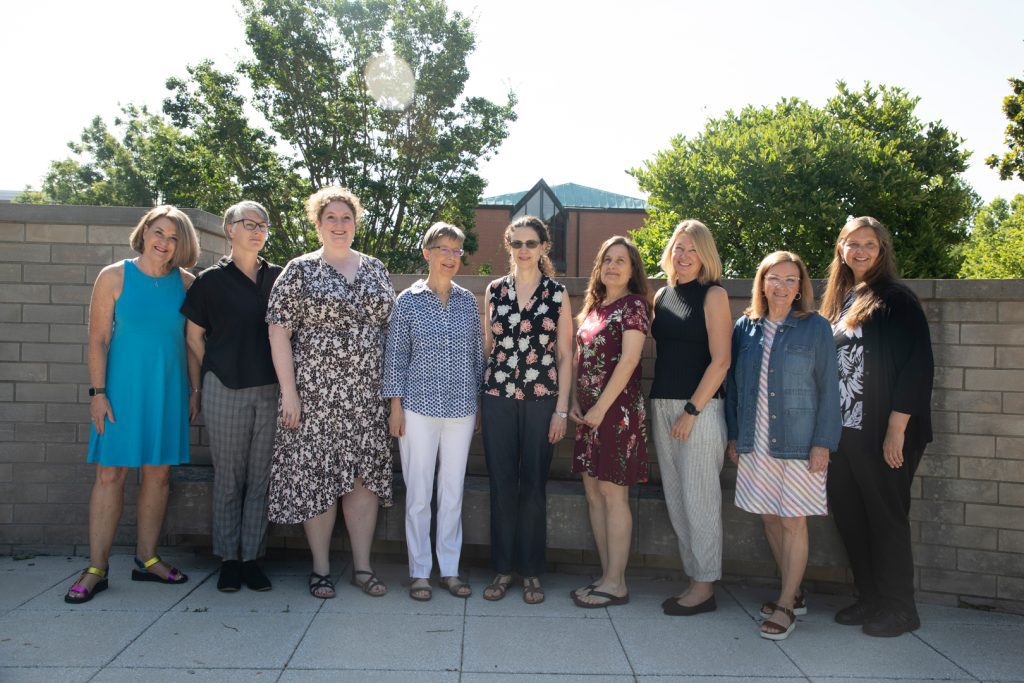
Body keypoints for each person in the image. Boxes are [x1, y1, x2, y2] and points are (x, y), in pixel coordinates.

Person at [64, 206, 201, 603]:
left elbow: (193, 345)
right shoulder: (113, 276)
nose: (164, 242)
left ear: (182, 245)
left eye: (174, 237)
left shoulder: (188, 284)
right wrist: (97, 393)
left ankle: (148, 559)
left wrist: (195, 391)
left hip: (168, 391)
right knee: (110, 475)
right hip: (119, 392)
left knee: (158, 475)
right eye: (158, 233)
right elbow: (98, 340)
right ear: (143, 233)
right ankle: (96, 568)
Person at [265, 187, 395, 599]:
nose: (340, 225)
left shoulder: (375, 268)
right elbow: (278, 331)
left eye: (347, 218)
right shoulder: (299, 270)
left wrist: (394, 394)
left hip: (367, 395)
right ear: (318, 224)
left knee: (363, 479)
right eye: (331, 218)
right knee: (317, 478)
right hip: (315, 394)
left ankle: (362, 567)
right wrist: (290, 392)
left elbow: (394, 330)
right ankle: (320, 569)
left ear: (356, 223)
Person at [820, 216, 934, 637]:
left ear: (882, 250)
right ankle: (870, 599)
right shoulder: (845, 299)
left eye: (870, 244)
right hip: (844, 435)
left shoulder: (896, 299)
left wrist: (896, 429)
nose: (861, 251)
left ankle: (901, 609)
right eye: (853, 244)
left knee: (886, 519)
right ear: (841, 250)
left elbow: (918, 366)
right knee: (851, 518)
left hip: (884, 434)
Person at [725, 251, 841, 640]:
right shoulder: (745, 327)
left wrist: (823, 443)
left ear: (801, 288)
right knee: (769, 516)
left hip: (800, 443)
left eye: (791, 280)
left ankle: (787, 603)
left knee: (793, 520)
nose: (783, 286)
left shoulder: (816, 328)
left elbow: (830, 390)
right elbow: (735, 387)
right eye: (775, 278)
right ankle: (795, 591)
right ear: (762, 283)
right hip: (755, 441)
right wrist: (735, 436)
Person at [182, 201, 282, 592]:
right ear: (229, 230)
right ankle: (228, 559)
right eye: (248, 224)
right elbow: (193, 337)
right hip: (224, 390)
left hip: (270, 389)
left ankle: (252, 558)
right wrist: (216, 370)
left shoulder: (278, 277)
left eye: (263, 225)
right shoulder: (210, 281)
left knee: (260, 480)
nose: (257, 230)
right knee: (228, 477)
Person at [384, 222, 484, 601]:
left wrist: (478, 408)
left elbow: (477, 356)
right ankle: (420, 572)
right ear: (426, 253)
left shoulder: (466, 301)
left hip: (461, 409)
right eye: (443, 248)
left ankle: (451, 570)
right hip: (418, 410)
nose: (450, 256)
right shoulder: (408, 300)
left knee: (453, 491)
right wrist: (396, 407)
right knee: (420, 492)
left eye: (457, 250)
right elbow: (395, 357)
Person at [480, 215, 573, 605]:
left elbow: (567, 356)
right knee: (502, 486)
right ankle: (502, 569)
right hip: (497, 399)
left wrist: (561, 411)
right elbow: (487, 349)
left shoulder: (557, 293)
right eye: (516, 243)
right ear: (508, 246)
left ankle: (532, 571)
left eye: (530, 243)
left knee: (533, 486)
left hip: (541, 400)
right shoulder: (495, 291)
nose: (523, 250)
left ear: (544, 247)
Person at [648, 220, 732, 617]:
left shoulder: (713, 295)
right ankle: (694, 577)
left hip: (698, 409)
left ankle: (705, 586)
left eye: (691, 250)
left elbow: (721, 361)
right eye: (678, 248)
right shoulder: (661, 295)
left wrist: (691, 410)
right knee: (678, 501)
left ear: (705, 256)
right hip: (662, 406)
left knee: (700, 499)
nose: (682, 256)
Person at [570, 236, 652, 608]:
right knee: (593, 493)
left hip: (616, 415)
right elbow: (579, 358)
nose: (613, 266)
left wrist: (600, 409)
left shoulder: (634, 306)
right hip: (588, 415)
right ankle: (606, 576)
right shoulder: (595, 307)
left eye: (622, 260)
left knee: (613, 494)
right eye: (607, 260)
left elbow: (630, 360)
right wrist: (574, 402)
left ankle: (617, 582)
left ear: (633, 269)